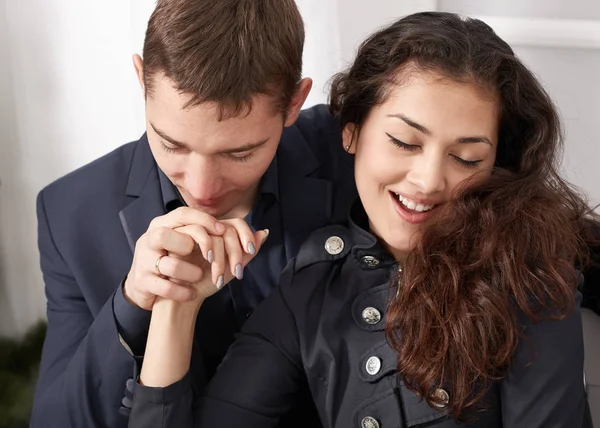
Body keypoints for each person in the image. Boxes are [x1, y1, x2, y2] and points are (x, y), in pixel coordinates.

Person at [126, 12, 595, 428]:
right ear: (351, 132)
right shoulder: (311, 285)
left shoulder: (528, 277)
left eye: (467, 158)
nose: (429, 180)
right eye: (405, 142)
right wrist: (177, 304)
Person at [30, 1, 356, 427]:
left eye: (239, 152)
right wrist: (133, 302)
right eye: (171, 144)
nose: (202, 188)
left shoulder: (355, 151)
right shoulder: (71, 214)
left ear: (294, 103)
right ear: (141, 81)